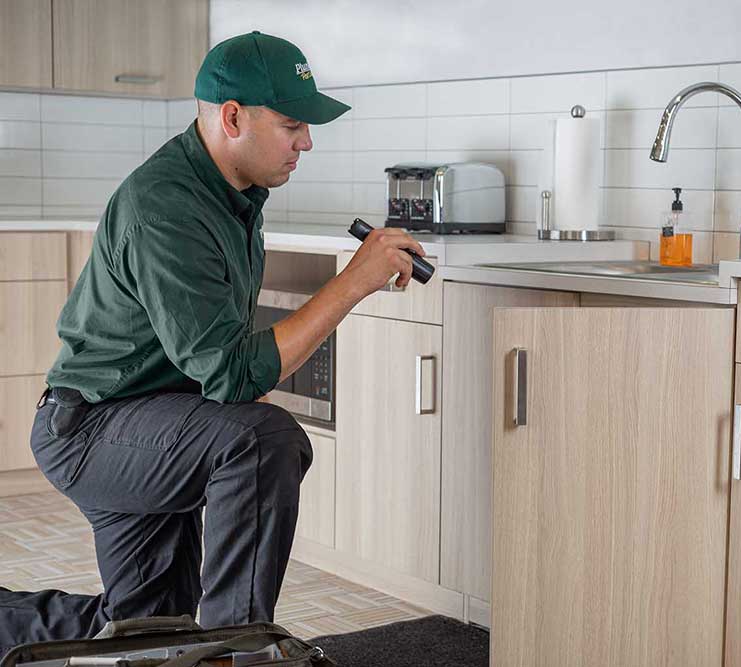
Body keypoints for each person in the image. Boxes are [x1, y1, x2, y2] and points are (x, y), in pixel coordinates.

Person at [0, 31, 425, 653]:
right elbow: (230, 376)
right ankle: (237, 652)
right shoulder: (165, 206)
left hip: (154, 419)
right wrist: (353, 281)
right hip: (93, 429)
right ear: (232, 117)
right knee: (262, 437)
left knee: (148, 633)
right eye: (291, 124)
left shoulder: (235, 196)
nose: (306, 141)